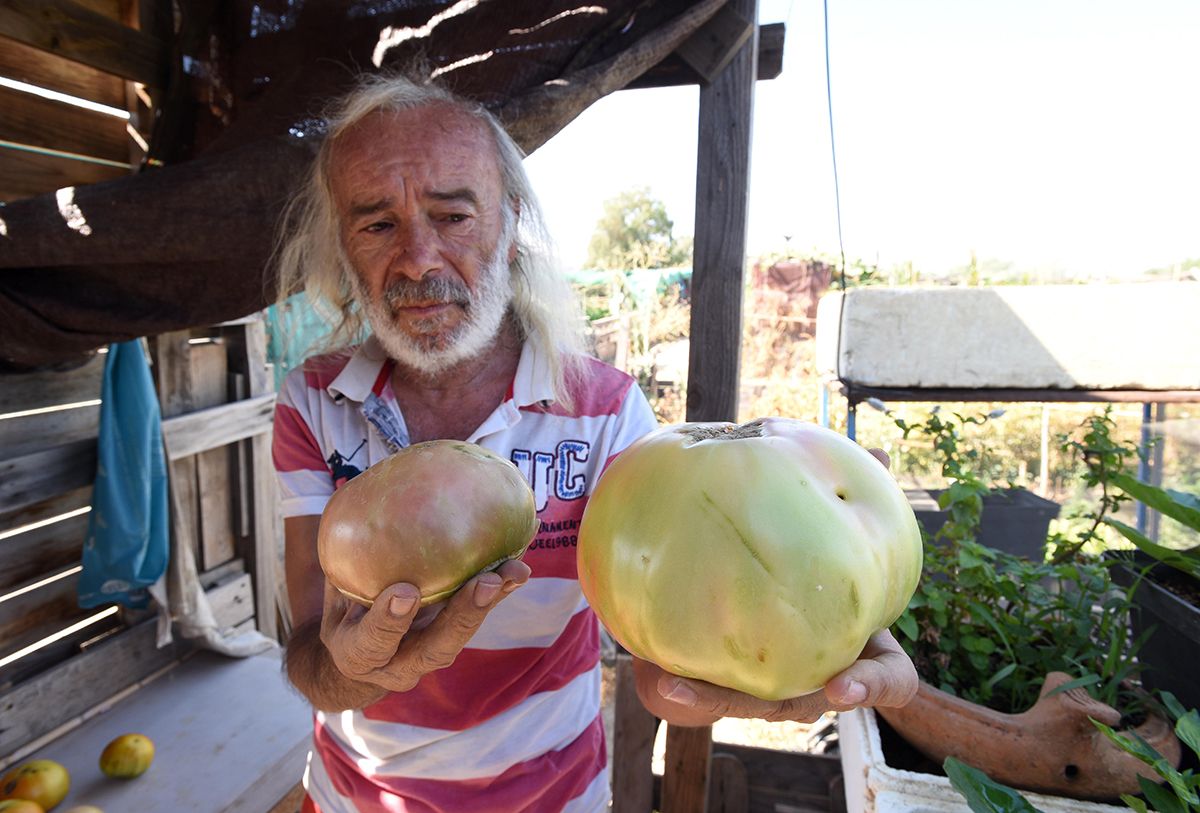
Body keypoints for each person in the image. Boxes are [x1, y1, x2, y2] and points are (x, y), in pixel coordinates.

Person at [271, 73, 917, 813]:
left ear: (510, 226)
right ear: (343, 249)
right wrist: (355, 667)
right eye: (378, 224)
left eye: (453, 215)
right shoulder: (312, 403)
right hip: (354, 796)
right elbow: (310, 656)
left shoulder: (607, 412)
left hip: (553, 796)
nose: (419, 260)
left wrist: (765, 661)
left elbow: (656, 666)